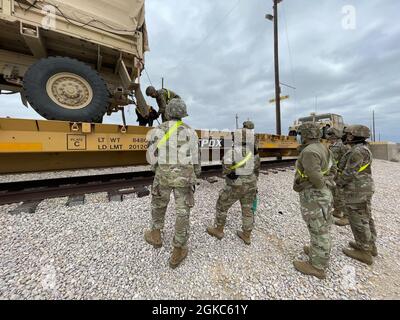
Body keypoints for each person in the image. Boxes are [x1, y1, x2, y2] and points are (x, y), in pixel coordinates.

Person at [144, 98, 201, 269]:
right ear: (183, 113)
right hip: (184, 179)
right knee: (182, 213)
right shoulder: (191, 132)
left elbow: (151, 156)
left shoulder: (158, 130)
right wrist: (195, 173)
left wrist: (157, 170)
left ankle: (156, 236)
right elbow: (196, 158)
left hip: (163, 176)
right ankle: (178, 250)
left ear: (168, 112)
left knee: (158, 204)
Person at [292, 122, 336, 279]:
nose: (298, 136)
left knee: (318, 228)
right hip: (323, 193)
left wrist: (318, 185)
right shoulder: (323, 147)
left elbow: (315, 177)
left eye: (300, 133)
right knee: (320, 225)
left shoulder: (309, 151)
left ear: (305, 134)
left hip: (315, 195)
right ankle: (317, 251)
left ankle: (317, 266)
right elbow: (333, 169)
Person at [206, 121, 260, 245]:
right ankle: (246, 235)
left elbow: (226, 168)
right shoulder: (255, 152)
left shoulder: (233, 151)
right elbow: (257, 169)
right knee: (248, 210)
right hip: (251, 184)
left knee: (222, 205)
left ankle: (218, 230)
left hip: (236, 185)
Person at [337, 125, 377, 265]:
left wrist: (338, 183)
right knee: (366, 217)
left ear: (354, 136)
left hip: (357, 190)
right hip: (363, 187)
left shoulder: (357, 152)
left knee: (358, 220)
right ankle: (370, 246)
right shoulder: (363, 148)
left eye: (348, 135)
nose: (346, 137)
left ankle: (364, 252)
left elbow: (349, 173)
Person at [326, 127, 350, 226]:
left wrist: (343, 172)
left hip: (340, 173)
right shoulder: (332, 146)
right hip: (334, 173)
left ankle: (346, 216)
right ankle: (337, 211)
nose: (328, 137)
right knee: (334, 193)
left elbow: (347, 160)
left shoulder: (342, 146)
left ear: (334, 136)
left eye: (330, 135)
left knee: (341, 194)